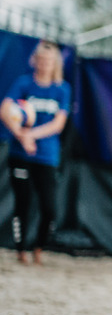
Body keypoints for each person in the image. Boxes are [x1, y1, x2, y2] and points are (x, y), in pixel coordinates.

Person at [0, 40, 71, 265]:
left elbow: (58, 124)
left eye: (49, 60)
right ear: (35, 61)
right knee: (23, 202)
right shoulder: (23, 83)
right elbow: (5, 109)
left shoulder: (62, 89)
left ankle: (39, 247)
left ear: (55, 63)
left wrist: (32, 135)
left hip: (47, 156)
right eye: (41, 59)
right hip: (21, 154)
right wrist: (21, 134)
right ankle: (21, 251)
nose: (44, 64)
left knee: (49, 208)